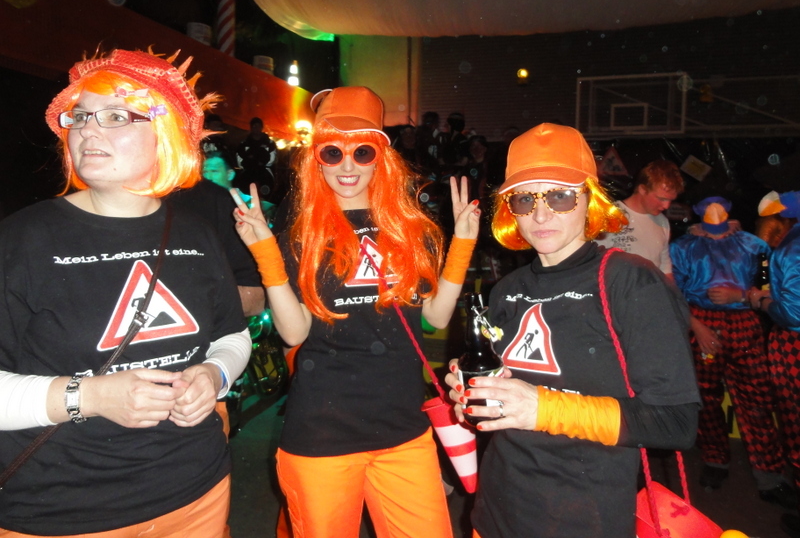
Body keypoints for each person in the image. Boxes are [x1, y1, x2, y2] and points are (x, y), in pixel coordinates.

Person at [0, 49, 251, 537]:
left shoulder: (197, 234)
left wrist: (213, 373)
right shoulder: (22, 240)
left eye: (116, 116)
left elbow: (232, 335)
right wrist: (90, 396)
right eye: (80, 116)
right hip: (61, 512)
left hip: (197, 493)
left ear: (166, 135)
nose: (88, 131)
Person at [232, 86, 481, 538]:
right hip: (323, 434)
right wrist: (266, 253)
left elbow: (436, 317)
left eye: (362, 152)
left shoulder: (410, 230)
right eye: (333, 152)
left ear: (380, 157)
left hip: (404, 430)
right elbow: (294, 332)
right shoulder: (301, 232)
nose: (347, 167)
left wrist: (462, 243)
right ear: (317, 159)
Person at [444, 123, 700, 538]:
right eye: (525, 199)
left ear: (589, 199)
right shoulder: (506, 290)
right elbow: (502, 406)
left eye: (559, 196)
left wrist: (542, 408)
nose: (540, 214)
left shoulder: (630, 281)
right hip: (495, 514)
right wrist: (475, 397)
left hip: (585, 519)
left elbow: (675, 422)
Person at [669, 197, 793, 504]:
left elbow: (773, 285)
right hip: (703, 323)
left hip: (745, 323)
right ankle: (715, 460)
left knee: (757, 398)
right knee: (706, 396)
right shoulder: (684, 247)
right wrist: (696, 325)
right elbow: (674, 292)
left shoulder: (753, 244)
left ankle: (770, 474)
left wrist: (741, 294)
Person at [749, 190, 800, 537]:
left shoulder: (791, 249)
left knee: (795, 426)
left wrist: (763, 302)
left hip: (794, 346)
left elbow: (793, 314)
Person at [595, 159, 684, 277]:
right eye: (661, 199)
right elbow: (591, 262)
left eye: (670, 200)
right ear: (642, 189)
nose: (666, 206)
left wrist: (671, 289)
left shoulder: (662, 222)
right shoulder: (609, 215)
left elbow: (665, 268)